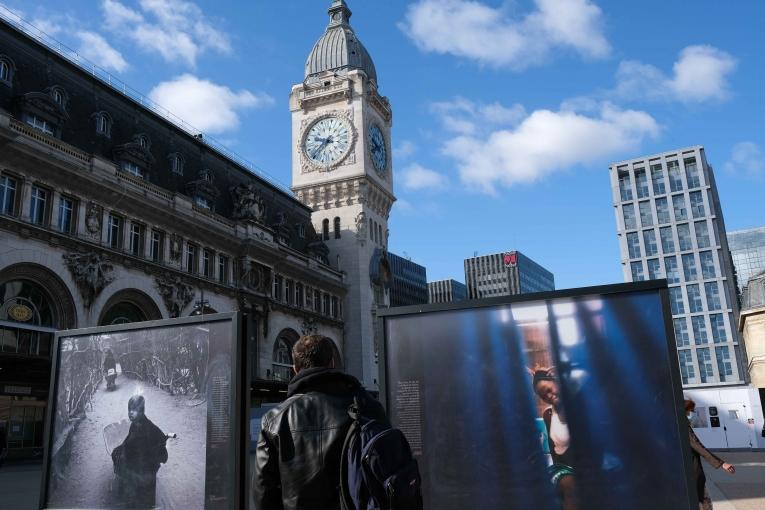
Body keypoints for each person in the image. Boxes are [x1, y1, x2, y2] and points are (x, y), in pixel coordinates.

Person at [253, 334, 388, 510]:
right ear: (332, 362)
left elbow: (264, 493)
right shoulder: (368, 406)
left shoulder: (274, 419)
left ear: (295, 368)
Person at [531, 366, 578, 510]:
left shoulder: (576, 405)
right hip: (562, 467)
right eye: (543, 395)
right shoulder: (548, 414)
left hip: (584, 465)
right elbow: (552, 448)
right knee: (568, 482)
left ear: (556, 382)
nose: (548, 396)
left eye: (549, 389)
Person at [111, 395, 169, 509]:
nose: (130, 413)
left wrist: (150, 462)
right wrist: (119, 450)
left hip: (145, 469)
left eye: (135, 410)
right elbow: (128, 442)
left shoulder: (149, 428)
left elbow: (162, 450)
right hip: (138, 464)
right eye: (129, 410)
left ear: (141, 411)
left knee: (142, 501)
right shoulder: (135, 424)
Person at [685, 398, 735, 510]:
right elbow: (697, 446)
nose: (690, 414)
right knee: (702, 498)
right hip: (692, 469)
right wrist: (721, 463)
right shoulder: (683, 425)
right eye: (690, 411)